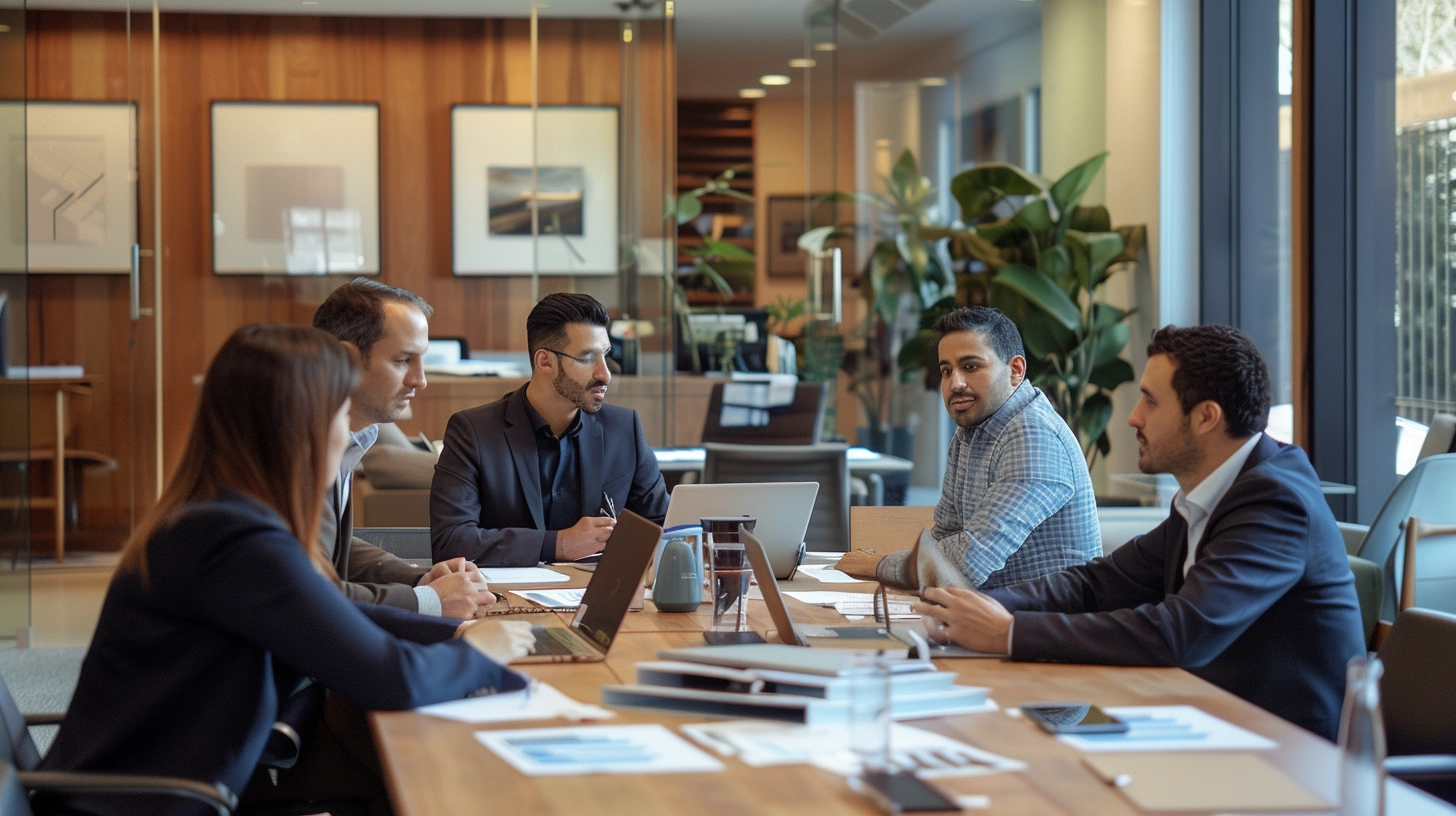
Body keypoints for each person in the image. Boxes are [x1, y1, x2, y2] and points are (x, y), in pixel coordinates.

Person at [39, 325, 535, 816]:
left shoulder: (219, 515)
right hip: (142, 803)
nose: (347, 435)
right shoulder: (232, 539)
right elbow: (390, 677)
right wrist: (479, 653)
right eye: (342, 413)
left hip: (175, 782)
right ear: (299, 424)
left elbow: (324, 612)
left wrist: (455, 631)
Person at [912, 325, 1366, 741]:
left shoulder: (1273, 501)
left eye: (1150, 400)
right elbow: (1100, 583)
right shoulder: (1208, 496)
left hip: (1287, 756)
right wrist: (979, 609)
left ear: (1205, 417)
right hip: (1212, 723)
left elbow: (1180, 632)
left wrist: (1010, 632)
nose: (1133, 418)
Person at [837, 306, 1100, 590]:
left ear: (1015, 370)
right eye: (946, 371)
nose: (955, 383)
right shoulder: (969, 432)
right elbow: (944, 538)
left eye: (971, 367)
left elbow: (967, 561)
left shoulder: (1034, 436)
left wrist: (878, 565)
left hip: (1046, 627)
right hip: (993, 615)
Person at [431, 293, 669, 566]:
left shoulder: (624, 429)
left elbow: (664, 527)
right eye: (587, 358)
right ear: (545, 361)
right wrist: (558, 544)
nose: (605, 374)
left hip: (603, 598)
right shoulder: (473, 432)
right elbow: (450, 543)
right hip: (505, 601)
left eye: (605, 355)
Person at [313, 278, 494, 618]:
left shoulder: (353, 436)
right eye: (403, 360)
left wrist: (421, 578)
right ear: (347, 358)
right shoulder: (301, 447)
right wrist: (429, 601)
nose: (420, 379)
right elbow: (313, 597)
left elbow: (330, 547)